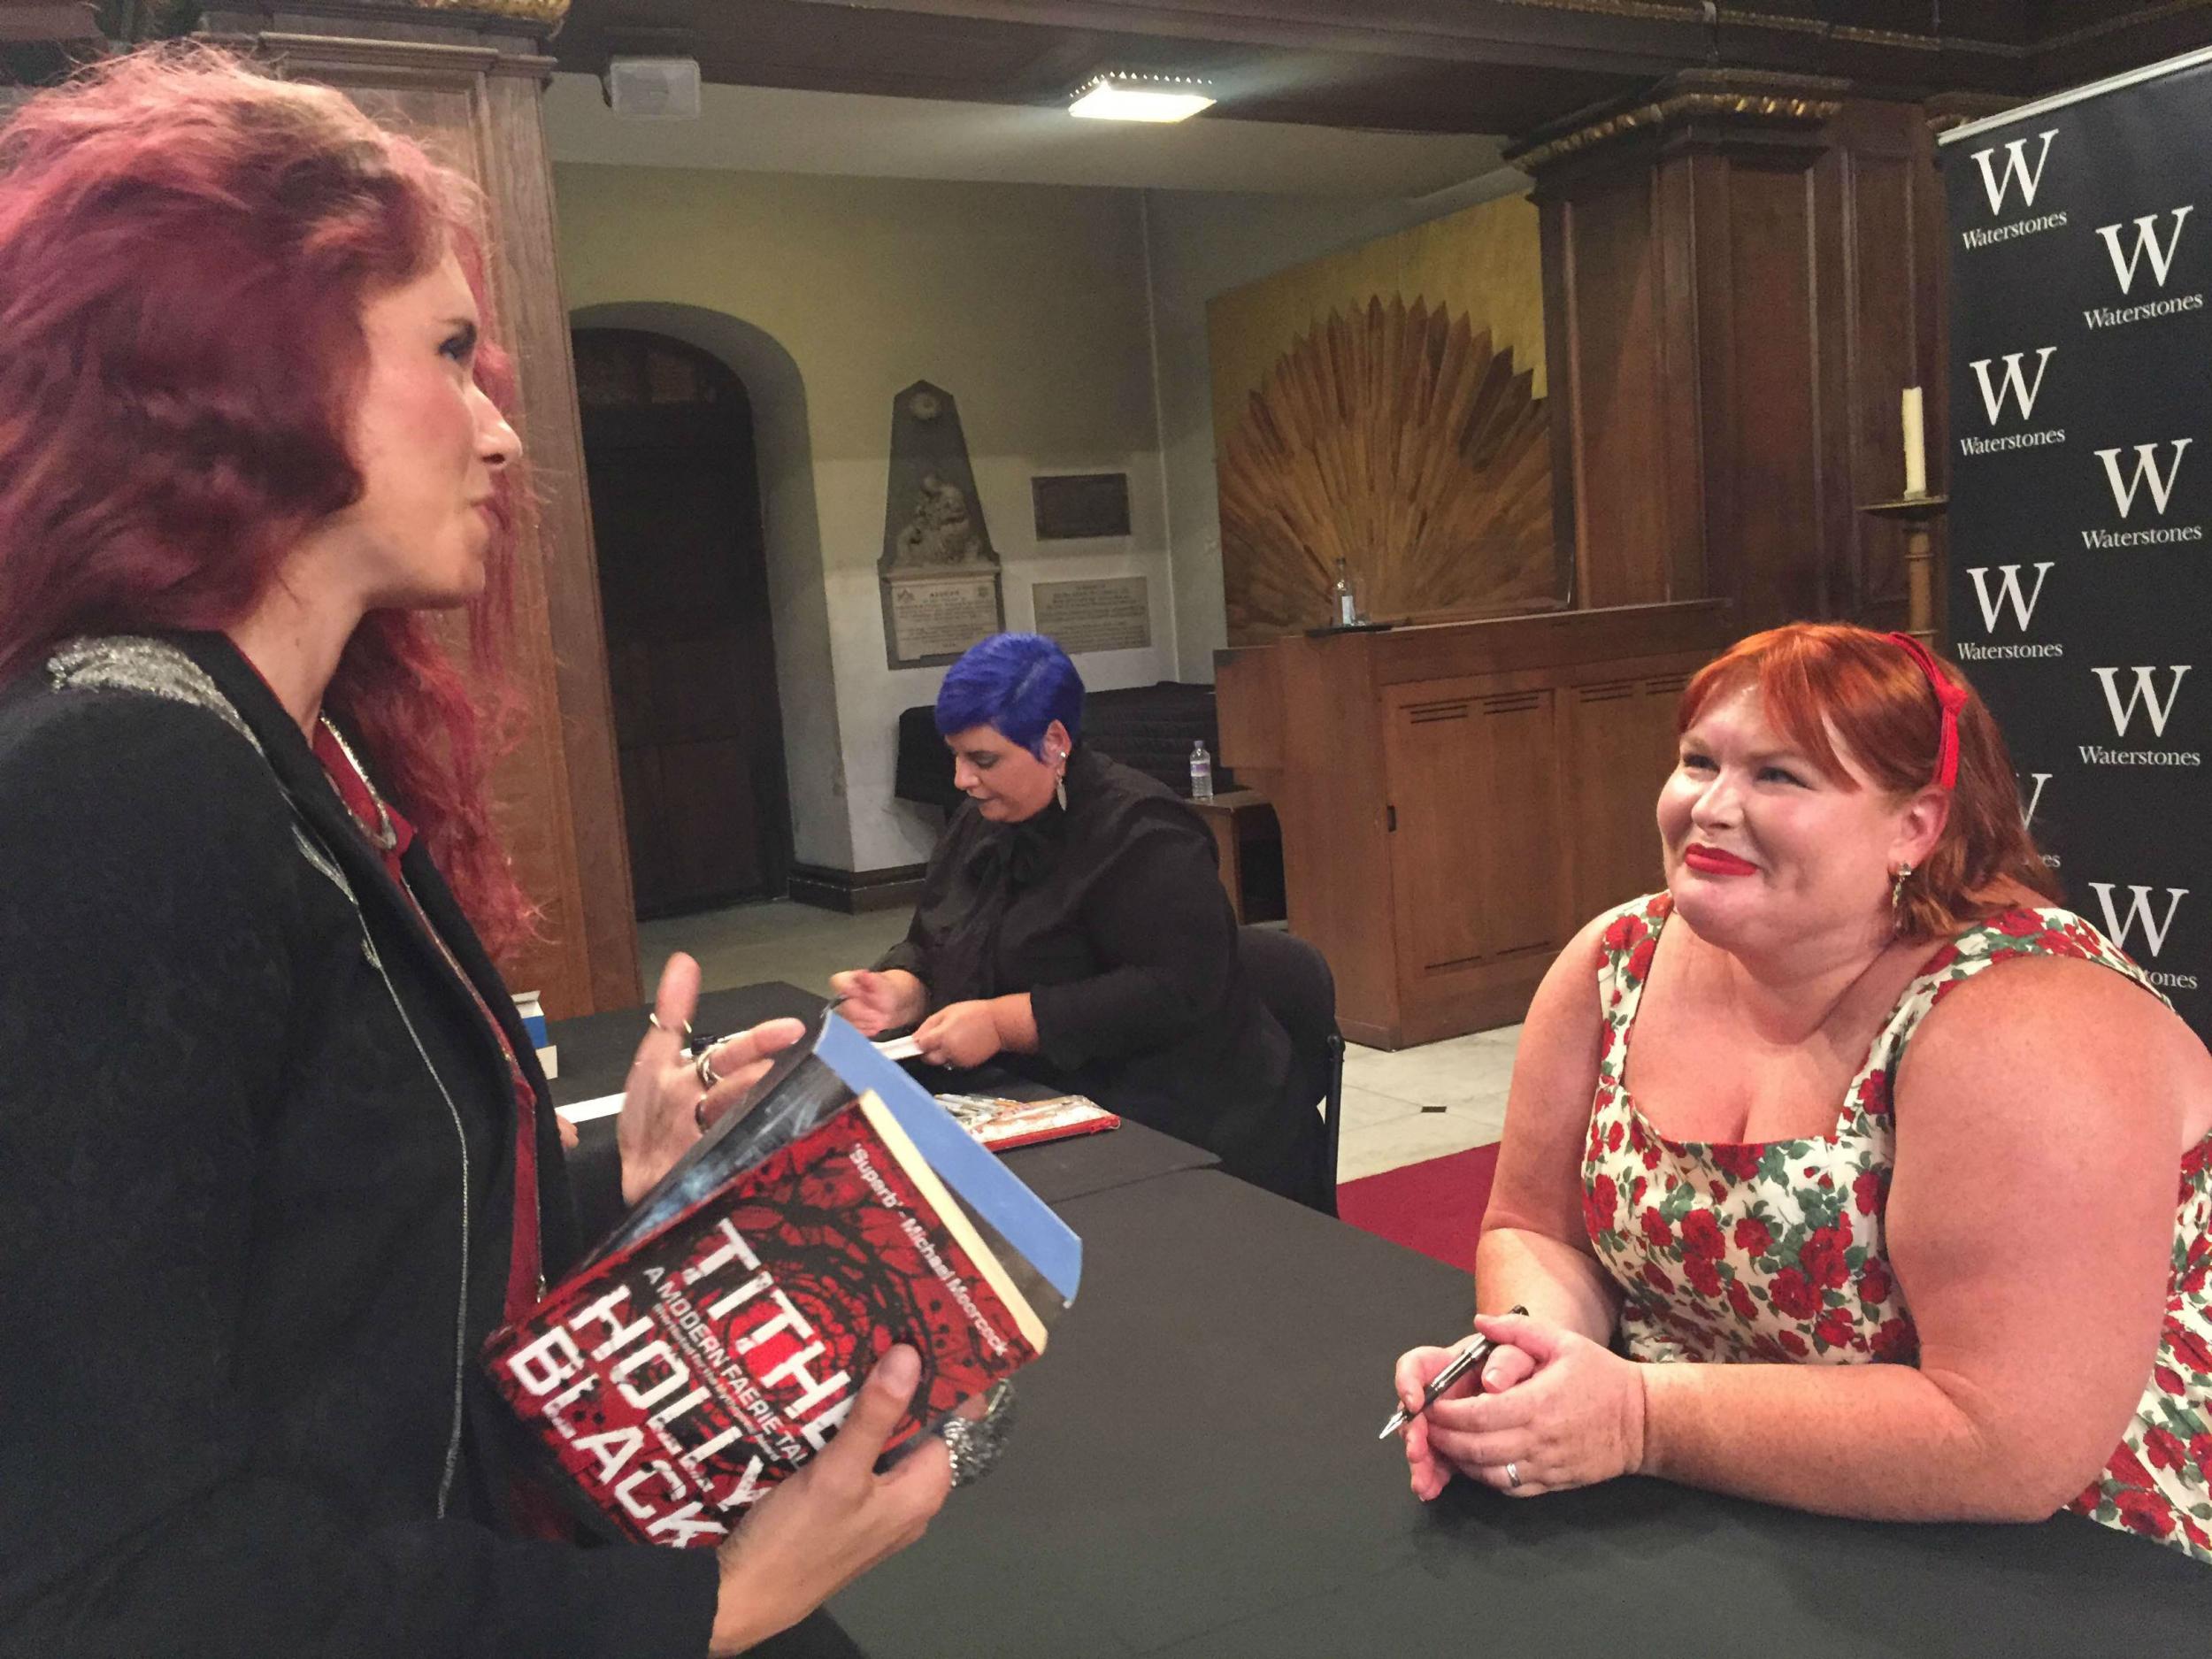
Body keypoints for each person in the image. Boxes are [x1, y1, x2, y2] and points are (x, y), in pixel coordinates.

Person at [0, 50, 947, 1658]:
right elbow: (117, 1579)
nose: (503, 434)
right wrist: (709, 1602)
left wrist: (601, 1183)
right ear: (252, 365)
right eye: (449, 352)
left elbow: (313, 1254)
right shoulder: (116, 785)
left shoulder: (278, 743)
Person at [1392, 623, 2212, 1562]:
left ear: (1916, 825)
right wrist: (1525, 1365)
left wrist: (1636, 1419)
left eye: (1779, 776)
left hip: (2079, 1549)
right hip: (1724, 1493)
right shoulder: (1616, 958)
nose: (1711, 807)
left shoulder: (2028, 1022)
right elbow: (1535, 1231)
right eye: (1698, 762)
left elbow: (2009, 1442)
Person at [832, 632, 1322, 1202]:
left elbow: (1175, 993)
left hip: (1190, 1116)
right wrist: (904, 987)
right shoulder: (982, 819)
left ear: (1054, 742)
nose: (962, 780)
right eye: (957, 757)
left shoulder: (1147, 835)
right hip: (1045, 1090)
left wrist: (1003, 1022)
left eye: (983, 760)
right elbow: (944, 934)